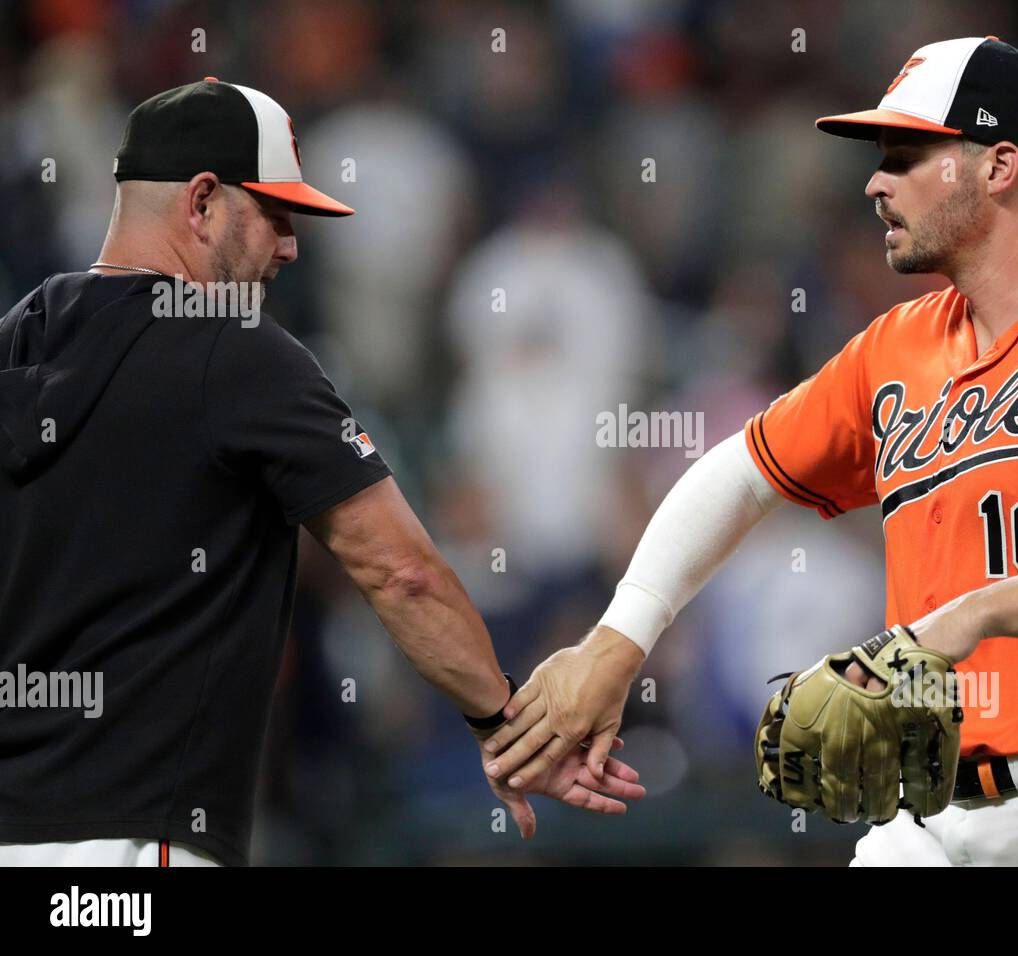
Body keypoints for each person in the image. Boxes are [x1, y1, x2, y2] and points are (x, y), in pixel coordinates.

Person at [482, 38, 1018, 866]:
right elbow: (737, 476)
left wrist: (975, 613)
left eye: (908, 156)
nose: (876, 182)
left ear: (997, 166)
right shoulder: (896, 347)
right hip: (923, 820)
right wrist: (617, 642)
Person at [0, 78, 641, 867]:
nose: (291, 244)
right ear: (201, 202)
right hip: (138, 845)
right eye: (274, 213)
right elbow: (400, 570)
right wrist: (505, 725)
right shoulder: (235, 348)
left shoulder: (18, 340)